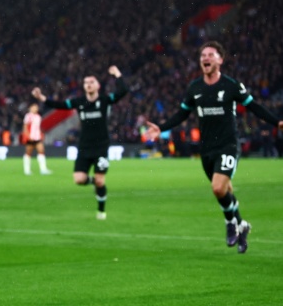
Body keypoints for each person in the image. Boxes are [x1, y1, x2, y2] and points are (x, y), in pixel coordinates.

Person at [145, 41, 283, 254]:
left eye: (210, 55)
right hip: (207, 149)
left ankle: (230, 223)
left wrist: (277, 122)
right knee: (225, 191)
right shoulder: (195, 88)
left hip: (228, 145)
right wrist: (161, 128)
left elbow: (254, 106)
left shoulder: (231, 86)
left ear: (220, 60)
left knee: (218, 188)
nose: (205, 58)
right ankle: (242, 225)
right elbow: (182, 114)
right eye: (203, 56)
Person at [32, 66, 127, 220]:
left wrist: (117, 74)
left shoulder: (105, 100)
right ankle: (94, 182)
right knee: (79, 179)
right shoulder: (79, 102)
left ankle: (101, 211)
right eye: (86, 82)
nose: (88, 84)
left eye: (92, 82)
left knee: (101, 180)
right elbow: (60, 105)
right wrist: (42, 97)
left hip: (101, 147)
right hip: (84, 147)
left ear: (98, 86)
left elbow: (123, 91)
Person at [22, 103, 52, 175]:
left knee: (41, 150)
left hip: (37, 137)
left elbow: (38, 127)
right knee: (28, 152)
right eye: (34, 107)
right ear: (30, 108)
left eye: (37, 107)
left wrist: (41, 134)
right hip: (30, 137)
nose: (36, 108)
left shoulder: (38, 116)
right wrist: (28, 136)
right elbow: (25, 127)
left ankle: (43, 169)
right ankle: (27, 170)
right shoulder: (28, 116)